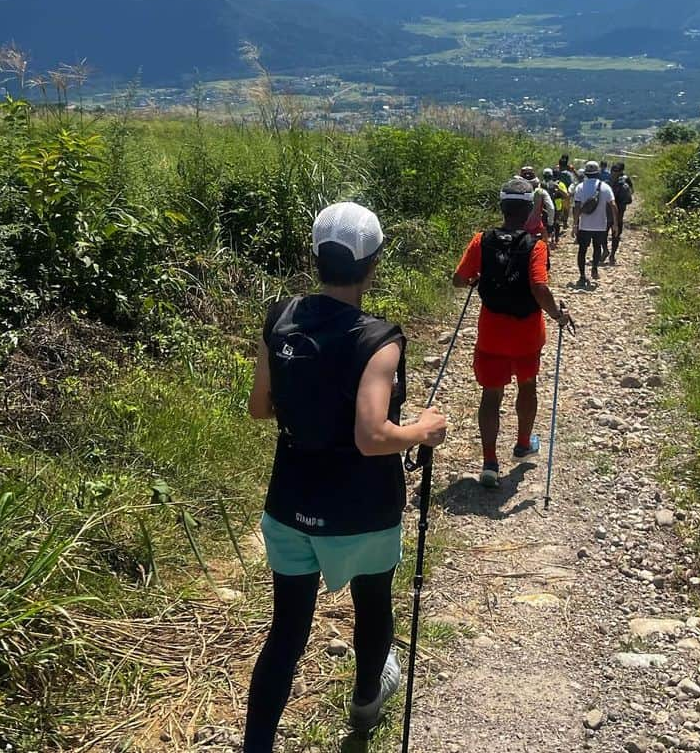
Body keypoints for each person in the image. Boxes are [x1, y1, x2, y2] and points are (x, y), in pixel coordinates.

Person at [245, 202, 448, 749]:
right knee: (373, 601)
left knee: (286, 631)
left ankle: (256, 745)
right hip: (361, 507)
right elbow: (372, 436)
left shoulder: (280, 317)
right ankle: (365, 701)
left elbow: (260, 407)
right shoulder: (378, 339)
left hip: (288, 501)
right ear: (373, 263)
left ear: (315, 257)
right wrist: (423, 428)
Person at [452, 178, 573, 489]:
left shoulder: (482, 241)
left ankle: (489, 462)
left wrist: (476, 279)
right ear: (529, 210)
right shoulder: (537, 245)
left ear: (502, 207)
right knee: (527, 385)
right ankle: (522, 444)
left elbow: (458, 279)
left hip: (491, 333)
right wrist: (558, 315)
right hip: (527, 335)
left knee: (491, 394)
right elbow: (539, 287)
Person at [573, 161, 616, 289]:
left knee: (582, 250)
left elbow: (576, 207)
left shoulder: (580, 187)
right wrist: (615, 224)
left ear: (585, 173)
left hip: (584, 226)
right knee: (597, 248)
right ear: (598, 173)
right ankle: (595, 268)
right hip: (600, 226)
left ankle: (582, 276)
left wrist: (575, 224)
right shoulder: (605, 187)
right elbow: (613, 205)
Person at [520, 165, 554, 239]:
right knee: (543, 246)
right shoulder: (540, 191)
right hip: (536, 227)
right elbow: (551, 208)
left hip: (517, 227)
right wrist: (550, 224)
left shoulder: (514, 190)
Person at [610, 162, 634, 264]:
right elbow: (631, 194)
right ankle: (612, 255)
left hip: (609, 211)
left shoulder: (608, 181)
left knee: (605, 232)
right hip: (619, 211)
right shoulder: (626, 180)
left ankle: (608, 252)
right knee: (616, 234)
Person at [541, 167, 566, 246]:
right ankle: (553, 239)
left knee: (548, 223)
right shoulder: (555, 184)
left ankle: (549, 239)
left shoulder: (541, 184)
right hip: (553, 207)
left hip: (545, 207)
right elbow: (565, 196)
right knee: (554, 223)